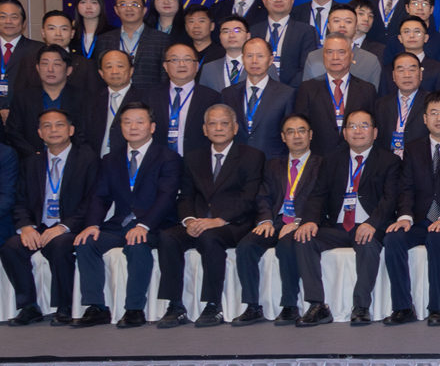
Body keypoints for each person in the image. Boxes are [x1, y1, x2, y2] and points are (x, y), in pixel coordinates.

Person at [72, 103, 182, 327]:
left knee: (137, 244)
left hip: (155, 225)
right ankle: (97, 307)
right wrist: (93, 224)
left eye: (140, 122)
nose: (133, 127)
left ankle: (134, 309)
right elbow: (100, 196)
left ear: (152, 127)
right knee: (86, 242)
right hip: (120, 224)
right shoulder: (110, 159)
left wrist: (144, 225)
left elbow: (167, 197)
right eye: (127, 122)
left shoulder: (168, 157)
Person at [157, 104, 263, 327]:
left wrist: (219, 220)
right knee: (168, 236)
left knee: (209, 237)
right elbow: (185, 196)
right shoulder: (193, 158)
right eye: (212, 124)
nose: (218, 128)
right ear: (205, 129)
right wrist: (189, 220)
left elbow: (249, 198)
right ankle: (175, 306)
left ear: (235, 128)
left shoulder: (252, 156)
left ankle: (213, 305)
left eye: (224, 123)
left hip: (233, 223)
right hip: (199, 221)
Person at [294, 109, 399, 326]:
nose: (357, 131)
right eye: (352, 126)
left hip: (369, 225)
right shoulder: (331, 160)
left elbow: (390, 199)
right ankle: (317, 305)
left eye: (364, 126)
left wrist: (372, 223)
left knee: (368, 243)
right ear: (344, 133)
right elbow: (318, 194)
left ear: (375, 132)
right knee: (304, 238)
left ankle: (361, 306)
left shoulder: (389, 161)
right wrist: (310, 220)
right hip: (338, 226)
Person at [380, 92, 440, 326]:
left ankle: (436, 308)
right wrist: (404, 216)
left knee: (436, 236)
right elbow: (406, 186)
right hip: (420, 220)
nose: (439, 118)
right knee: (393, 238)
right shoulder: (413, 148)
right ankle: (403, 307)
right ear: (424, 119)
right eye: (433, 113)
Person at [232, 115, 329, 325]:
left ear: (310, 135)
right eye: (290, 132)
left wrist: (298, 222)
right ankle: (252, 306)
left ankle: (289, 306)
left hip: (303, 222)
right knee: (246, 246)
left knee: (287, 244)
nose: (297, 136)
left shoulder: (323, 164)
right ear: (283, 137)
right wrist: (265, 220)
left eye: (301, 130)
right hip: (275, 222)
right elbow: (263, 196)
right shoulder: (272, 165)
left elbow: (322, 200)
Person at [4, 109, 94, 325]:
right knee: (11, 247)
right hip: (39, 225)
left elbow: (91, 201)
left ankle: (64, 306)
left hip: (70, 227)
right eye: (47, 126)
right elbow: (20, 200)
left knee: (59, 245)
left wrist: (63, 226)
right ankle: (29, 306)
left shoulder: (87, 160)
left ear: (71, 130)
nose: (53, 130)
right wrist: (26, 226)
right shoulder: (31, 163)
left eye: (59, 125)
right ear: (39, 133)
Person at [296, 33, 377, 155]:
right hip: (318, 157)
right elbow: (301, 127)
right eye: (329, 52)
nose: (335, 57)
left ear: (351, 56)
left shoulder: (367, 89)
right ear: (323, 56)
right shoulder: (308, 88)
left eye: (341, 52)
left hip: (354, 156)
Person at [216, 38, 294, 159]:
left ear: (270, 60)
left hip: (272, 162)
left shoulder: (286, 93)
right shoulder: (228, 93)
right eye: (249, 56)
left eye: (260, 56)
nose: (254, 61)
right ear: (243, 59)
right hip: (236, 162)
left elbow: (289, 133)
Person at [301, 5, 383, 87]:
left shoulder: (370, 60)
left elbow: (373, 92)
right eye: (337, 21)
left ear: (356, 27)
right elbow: (307, 90)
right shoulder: (314, 57)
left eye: (348, 21)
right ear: (328, 26)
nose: (342, 25)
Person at [256, 0, 318, 85]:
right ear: (264, 2)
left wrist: (287, 91)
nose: (278, 0)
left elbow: (306, 67)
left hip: (293, 90)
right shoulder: (254, 30)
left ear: (292, 1)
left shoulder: (306, 31)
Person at [109, 0, 170, 89]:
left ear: (144, 10)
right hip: (115, 96)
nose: (129, 9)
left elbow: (165, 77)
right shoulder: (105, 39)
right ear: (116, 10)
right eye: (123, 5)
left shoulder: (162, 39)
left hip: (149, 96)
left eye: (135, 5)